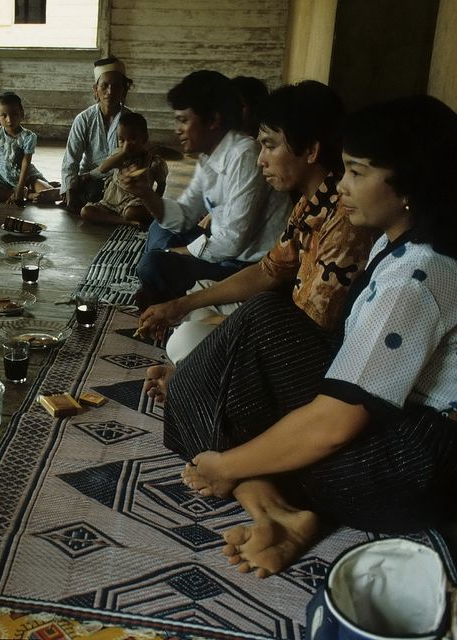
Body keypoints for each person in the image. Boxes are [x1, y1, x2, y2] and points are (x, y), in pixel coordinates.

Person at [162, 95, 457, 578]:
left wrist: (227, 467)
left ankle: (265, 494)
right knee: (257, 324)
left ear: (411, 183)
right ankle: (277, 513)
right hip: (398, 430)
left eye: (358, 173)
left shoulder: (420, 276)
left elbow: (333, 424)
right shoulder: (397, 238)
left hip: (413, 468)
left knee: (207, 410)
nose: (343, 186)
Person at [137, 81, 376, 364]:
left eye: (270, 146)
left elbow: (310, 327)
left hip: (299, 351)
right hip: (267, 306)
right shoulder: (308, 203)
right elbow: (268, 270)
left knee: (187, 337)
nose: (262, 159)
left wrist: (229, 323)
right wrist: (179, 305)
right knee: (192, 305)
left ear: (311, 151)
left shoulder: (345, 221)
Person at [128, 70, 290, 307]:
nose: (177, 129)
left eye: (184, 120)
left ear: (213, 121)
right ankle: (161, 287)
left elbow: (232, 241)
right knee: (158, 229)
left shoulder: (244, 154)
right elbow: (183, 217)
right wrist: (147, 195)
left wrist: (177, 253)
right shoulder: (210, 158)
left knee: (152, 263)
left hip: (246, 267)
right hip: (223, 250)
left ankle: (163, 291)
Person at [61, 56, 134, 214]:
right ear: (96, 89)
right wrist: (70, 190)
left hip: (120, 179)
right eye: (104, 85)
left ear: (125, 90)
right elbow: (71, 159)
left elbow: (131, 157)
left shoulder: (131, 120)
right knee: (84, 192)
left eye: (116, 86)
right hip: (89, 179)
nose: (110, 92)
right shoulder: (84, 119)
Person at [80, 111, 167, 227]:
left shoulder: (153, 162)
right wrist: (123, 153)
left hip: (134, 203)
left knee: (131, 212)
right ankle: (124, 221)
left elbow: (161, 184)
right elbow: (103, 169)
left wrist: (154, 206)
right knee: (86, 212)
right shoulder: (118, 155)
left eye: (133, 139)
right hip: (110, 203)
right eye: (121, 140)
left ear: (145, 139)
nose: (127, 144)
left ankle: (131, 218)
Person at [0, 92, 59, 206]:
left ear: (22, 114)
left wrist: (20, 186)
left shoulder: (28, 137)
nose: (9, 119)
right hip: (0, 180)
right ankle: (27, 195)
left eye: (14, 114)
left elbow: (26, 163)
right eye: (4, 115)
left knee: (50, 194)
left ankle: (27, 191)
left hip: (25, 178)